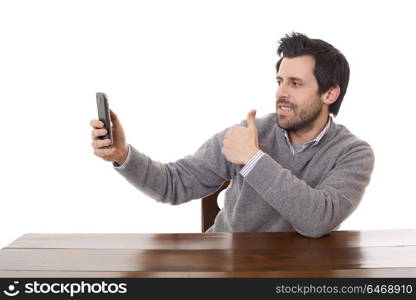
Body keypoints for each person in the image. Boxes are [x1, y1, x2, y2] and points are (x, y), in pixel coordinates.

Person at [90, 32, 374, 237]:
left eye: (295, 83)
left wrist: (252, 159)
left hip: (300, 274)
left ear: (330, 93)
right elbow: (173, 185)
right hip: (227, 264)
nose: (280, 93)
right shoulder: (250, 132)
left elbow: (317, 220)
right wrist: (123, 155)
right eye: (280, 81)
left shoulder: (353, 154)